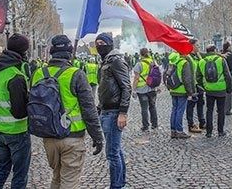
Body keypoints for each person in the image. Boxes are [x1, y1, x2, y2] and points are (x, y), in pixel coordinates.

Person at [31, 35, 103, 188]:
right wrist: (97, 137)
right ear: (70, 53)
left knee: (56, 177)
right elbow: (89, 110)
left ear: (51, 52)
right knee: (69, 181)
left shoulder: (38, 73)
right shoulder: (76, 74)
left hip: (48, 137)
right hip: (72, 137)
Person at [0, 33, 31, 188]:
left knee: (1, 170)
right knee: (20, 175)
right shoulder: (16, 76)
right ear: (23, 52)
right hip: (16, 131)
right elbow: (19, 111)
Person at [95, 33, 131, 189]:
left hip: (114, 112)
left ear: (109, 44)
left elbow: (126, 87)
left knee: (112, 153)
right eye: (97, 43)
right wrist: (99, 107)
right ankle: (120, 183)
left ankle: (116, 186)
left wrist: (123, 112)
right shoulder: (105, 62)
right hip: (106, 110)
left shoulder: (116, 61)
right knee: (116, 151)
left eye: (102, 42)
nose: (99, 45)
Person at [197, 44, 232, 138]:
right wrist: (229, 88)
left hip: (209, 90)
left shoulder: (201, 62)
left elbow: (198, 77)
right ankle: (220, 131)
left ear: (207, 51)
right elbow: (227, 75)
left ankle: (209, 132)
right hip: (221, 89)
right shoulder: (221, 60)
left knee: (209, 110)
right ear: (215, 50)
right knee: (221, 111)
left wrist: (204, 86)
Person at [168, 52, 194, 139]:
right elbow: (187, 79)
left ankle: (173, 131)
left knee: (174, 110)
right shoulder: (184, 63)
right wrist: (190, 92)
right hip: (182, 90)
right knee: (180, 111)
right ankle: (179, 131)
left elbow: (167, 75)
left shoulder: (171, 62)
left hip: (173, 89)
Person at [132, 48, 158, 131]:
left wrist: (134, 90)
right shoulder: (153, 62)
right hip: (152, 88)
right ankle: (155, 124)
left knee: (144, 108)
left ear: (140, 54)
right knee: (152, 107)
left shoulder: (139, 64)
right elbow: (157, 74)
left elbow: (136, 78)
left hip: (141, 89)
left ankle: (145, 126)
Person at [186, 39, 206, 133]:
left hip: (200, 83)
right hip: (193, 84)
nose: (198, 47)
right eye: (197, 45)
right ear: (192, 46)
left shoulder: (198, 56)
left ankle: (202, 122)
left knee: (201, 103)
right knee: (191, 105)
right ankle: (191, 124)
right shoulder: (188, 57)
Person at [222, 41, 232, 115]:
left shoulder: (222, 54)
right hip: (229, 74)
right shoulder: (229, 55)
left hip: (222, 75)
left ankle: (221, 108)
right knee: (228, 92)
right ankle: (227, 109)